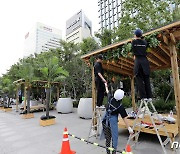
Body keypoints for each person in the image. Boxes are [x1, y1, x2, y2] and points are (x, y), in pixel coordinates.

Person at [102, 82, 133, 154]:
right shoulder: (120, 106)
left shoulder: (110, 98)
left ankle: (108, 152)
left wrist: (106, 86)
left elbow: (107, 91)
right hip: (112, 121)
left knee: (108, 138)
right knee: (114, 137)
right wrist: (129, 128)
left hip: (105, 120)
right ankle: (113, 152)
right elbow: (124, 118)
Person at [132, 29, 152, 100]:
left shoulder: (133, 42)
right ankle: (149, 96)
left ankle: (143, 97)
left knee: (139, 79)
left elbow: (134, 51)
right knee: (147, 79)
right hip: (145, 61)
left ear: (135, 35)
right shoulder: (145, 42)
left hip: (138, 61)